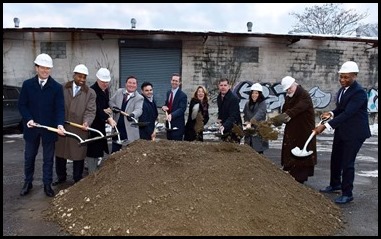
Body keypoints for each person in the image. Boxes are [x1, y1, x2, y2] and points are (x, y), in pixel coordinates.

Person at [314, 61, 371, 204]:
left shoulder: (359, 92)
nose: (343, 80)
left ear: (355, 76)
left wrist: (325, 126)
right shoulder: (342, 90)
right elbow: (341, 109)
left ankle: (347, 193)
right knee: (336, 158)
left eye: (346, 77)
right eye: (341, 77)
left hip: (355, 132)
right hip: (343, 129)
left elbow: (348, 113)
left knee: (347, 162)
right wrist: (331, 113)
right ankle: (335, 184)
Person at [18, 53, 65, 197]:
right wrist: (28, 119)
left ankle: (47, 184)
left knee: (48, 159)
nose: (45, 71)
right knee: (29, 157)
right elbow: (22, 105)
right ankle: (28, 182)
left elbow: (59, 108)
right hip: (31, 128)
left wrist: (59, 124)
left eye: (48, 68)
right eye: (43, 68)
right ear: (36, 68)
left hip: (49, 129)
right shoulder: (27, 85)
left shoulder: (56, 87)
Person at [53, 64, 96, 186]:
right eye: (79, 77)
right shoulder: (62, 88)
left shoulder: (90, 93)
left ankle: (77, 178)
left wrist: (87, 122)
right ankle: (61, 177)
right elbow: (57, 106)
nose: (82, 79)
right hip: (63, 126)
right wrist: (58, 122)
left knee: (78, 154)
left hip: (79, 128)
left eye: (84, 77)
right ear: (74, 75)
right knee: (60, 153)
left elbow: (90, 110)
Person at [270, 76, 316, 184]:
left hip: (304, 131)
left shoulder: (304, 95)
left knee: (301, 154)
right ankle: (291, 171)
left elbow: (299, 108)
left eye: (290, 88)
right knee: (290, 151)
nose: (289, 90)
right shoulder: (290, 96)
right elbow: (285, 109)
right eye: (287, 89)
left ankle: (300, 177)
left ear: (295, 84)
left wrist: (287, 115)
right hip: (293, 129)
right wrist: (281, 117)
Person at [86, 68, 117, 173]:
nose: (105, 84)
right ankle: (91, 172)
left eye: (107, 82)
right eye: (103, 82)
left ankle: (96, 169)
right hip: (93, 125)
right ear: (97, 79)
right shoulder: (92, 91)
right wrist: (108, 118)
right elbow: (96, 109)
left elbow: (105, 105)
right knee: (93, 149)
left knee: (99, 149)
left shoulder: (105, 90)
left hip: (101, 124)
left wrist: (107, 111)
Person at [109, 75, 144, 152]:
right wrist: (114, 107)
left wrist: (133, 115)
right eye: (129, 83)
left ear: (136, 85)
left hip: (129, 130)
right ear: (126, 84)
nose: (131, 85)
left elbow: (139, 110)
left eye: (134, 83)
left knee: (129, 153)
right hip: (117, 128)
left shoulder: (139, 97)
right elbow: (111, 101)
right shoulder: (119, 92)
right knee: (114, 152)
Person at [242, 83, 269, 154]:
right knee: (248, 152)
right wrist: (246, 123)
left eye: (256, 93)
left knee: (258, 153)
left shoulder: (262, 103)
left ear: (260, 94)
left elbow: (260, 114)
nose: (254, 95)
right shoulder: (247, 104)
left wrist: (251, 122)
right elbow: (245, 115)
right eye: (253, 93)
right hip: (249, 133)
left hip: (259, 132)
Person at [161, 73, 187, 141]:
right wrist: (164, 107)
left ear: (180, 83)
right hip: (169, 125)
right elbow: (167, 104)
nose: (174, 82)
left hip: (177, 126)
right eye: (173, 80)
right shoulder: (168, 93)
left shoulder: (183, 95)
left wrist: (172, 115)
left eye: (176, 81)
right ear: (171, 81)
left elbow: (182, 109)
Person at [217, 78, 243, 143]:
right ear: (218, 86)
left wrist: (224, 126)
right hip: (224, 128)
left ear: (229, 86)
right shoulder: (219, 97)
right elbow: (221, 112)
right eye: (221, 85)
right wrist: (219, 121)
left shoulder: (233, 99)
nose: (223, 87)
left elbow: (233, 116)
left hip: (234, 129)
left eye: (225, 85)